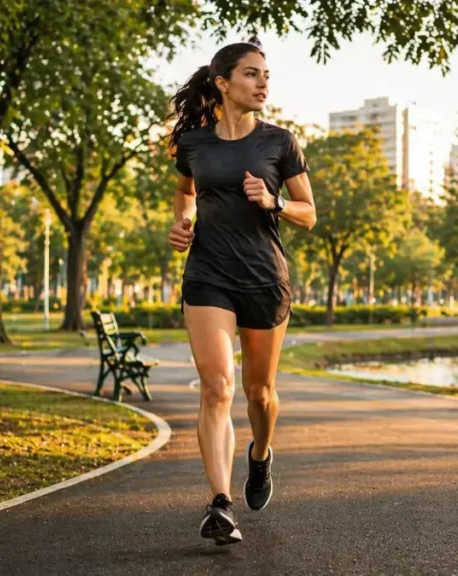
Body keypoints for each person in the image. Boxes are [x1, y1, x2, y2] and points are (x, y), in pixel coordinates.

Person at [166, 36, 316, 546]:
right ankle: (219, 505)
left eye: (266, 75)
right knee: (217, 387)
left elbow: (309, 214)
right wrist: (183, 224)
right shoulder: (193, 144)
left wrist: (274, 201)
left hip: (263, 278)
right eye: (251, 74)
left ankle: (260, 455)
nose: (262, 83)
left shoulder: (280, 142)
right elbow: (186, 194)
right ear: (223, 83)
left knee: (259, 394)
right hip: (207, 273)